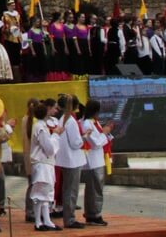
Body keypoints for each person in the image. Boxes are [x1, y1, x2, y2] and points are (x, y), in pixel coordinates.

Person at [80, 100, 113, 227]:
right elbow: (95, 143)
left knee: (94, 189)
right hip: (93, 160)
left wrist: (107, 132)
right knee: (95, 189)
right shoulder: (87, 123)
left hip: (98, 159)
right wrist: (105, 133)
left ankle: (92, 213)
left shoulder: (94, 122)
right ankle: (94, 215)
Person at [30, 102, 62, 232]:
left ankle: (47, 220)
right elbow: (48, 148)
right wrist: (55, 135)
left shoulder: (40, 125)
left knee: (47, 192)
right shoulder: (40, 127)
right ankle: (38, 221)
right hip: (42, 163)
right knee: (40, 192)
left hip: (46, 163)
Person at [54, 96, 85, 229]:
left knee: (68, 190)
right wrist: (84, 138)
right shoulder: (70, 121)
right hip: (72, 160)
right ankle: (70, 219)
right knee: (71, 191)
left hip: (66, 159)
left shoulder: (63, 119)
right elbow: (75, 143)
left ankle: (69, 217)